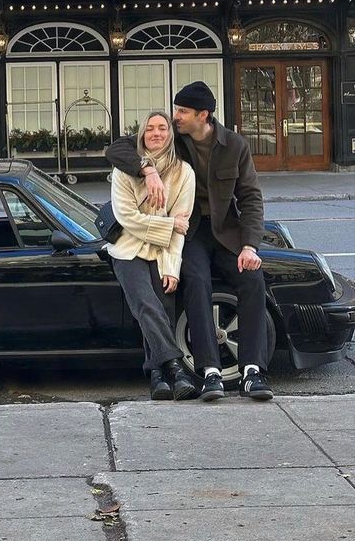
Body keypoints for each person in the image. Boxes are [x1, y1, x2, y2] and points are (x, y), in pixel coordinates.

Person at [105, 81, 273, 402]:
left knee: (253, 279)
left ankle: (253, 369)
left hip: (226, 231)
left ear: (203, 115)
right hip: (189, 230)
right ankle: (210, 372)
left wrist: (250, 245)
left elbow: (250, 198)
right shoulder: (175, 140)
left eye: (181, 111)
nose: (175, 116)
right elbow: (118, 149)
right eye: (176, 109)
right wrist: (148, 170)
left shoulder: (235, 145)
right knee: (195, 280)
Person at [102, 110, 197, 401]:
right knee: (145, 304)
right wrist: (168, 224)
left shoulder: (184, 173)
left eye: (162, 128)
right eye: (150, 129)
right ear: (142, 134)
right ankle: (175, 367)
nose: (156, 133)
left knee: (163, 307)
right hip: (127, 248)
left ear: (170, 134)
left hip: (162, 250)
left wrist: (172, 267)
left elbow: (183, 224)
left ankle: (157, 376)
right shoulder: (124, 170)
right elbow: (128, 217)